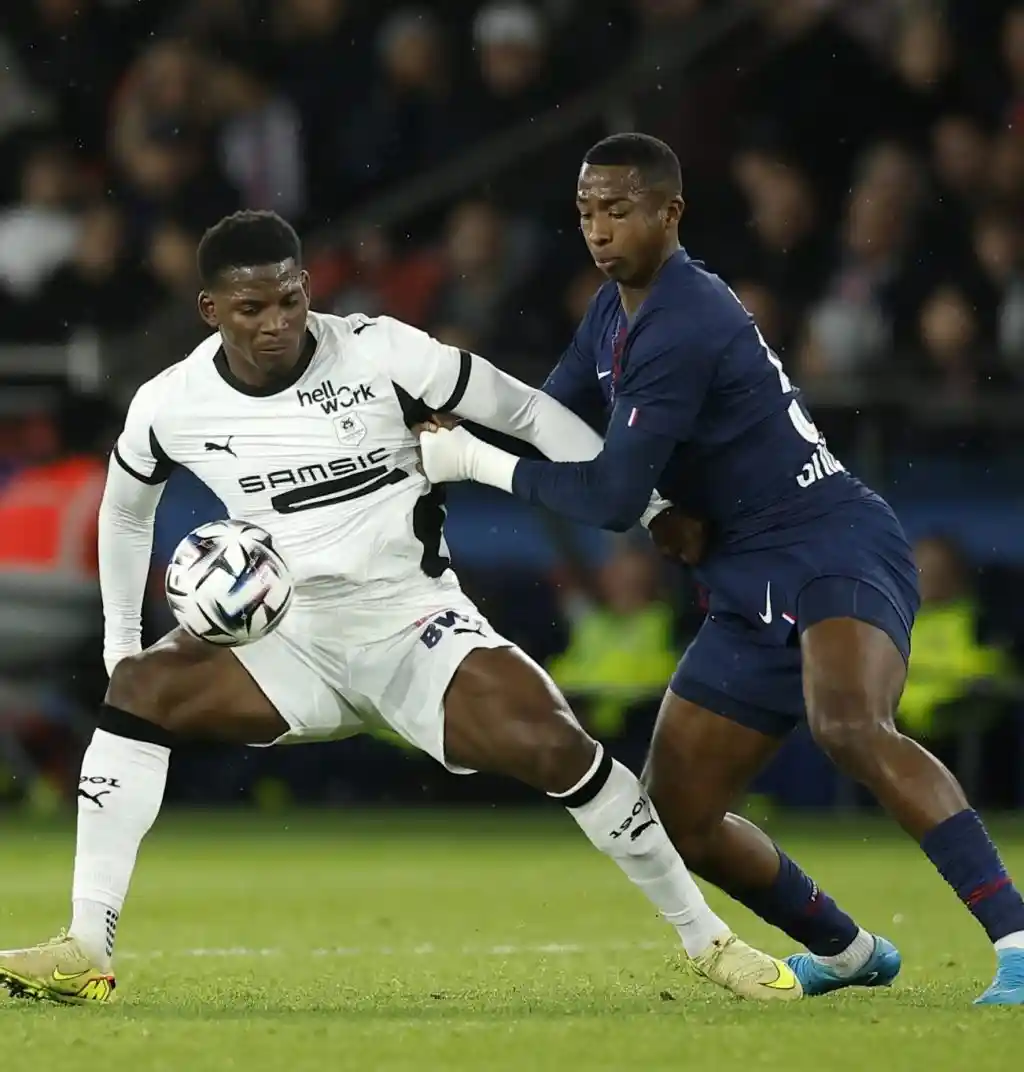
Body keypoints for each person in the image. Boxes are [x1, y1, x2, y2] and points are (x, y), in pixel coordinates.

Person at [0, 210, 798, 1006]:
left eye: (290, 299)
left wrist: (650, 504)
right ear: (210, 310)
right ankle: (87, 947)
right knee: (138, 689)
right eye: (252, 309)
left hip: (412, 625)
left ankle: (709, 941)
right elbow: (125, 510)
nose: (277, 322)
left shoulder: (381, 351)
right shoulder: (170, 402)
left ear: (306, 287)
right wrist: (120, 645)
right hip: (286, 634)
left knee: (559, 746)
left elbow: (524, 412)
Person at [418, 133, 1024, 1006]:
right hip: (743, 574)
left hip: (828, 543)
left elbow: (611, 495)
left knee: (849, 724)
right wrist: (419, 415)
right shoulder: (612, 313)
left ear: (671, 212)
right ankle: (849, 952)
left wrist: (471, 462)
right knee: (679, 815)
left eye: (618, 209)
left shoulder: (684, 318)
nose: (599, 229)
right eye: (586, 212)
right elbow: (547, 418)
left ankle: (1016, 938)